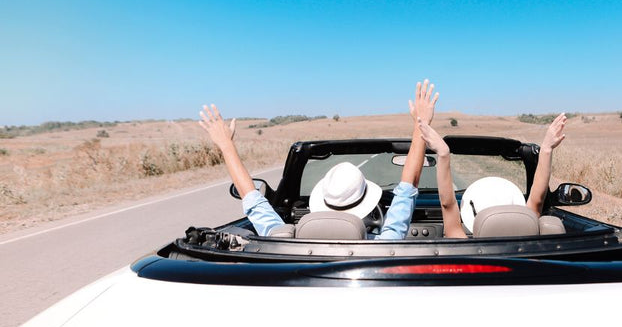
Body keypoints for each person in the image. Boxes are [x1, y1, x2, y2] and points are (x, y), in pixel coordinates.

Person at [198, 80, 439, 239]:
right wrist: (420, 126)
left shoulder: (282, 239)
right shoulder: (387, 242)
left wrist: (226, 146)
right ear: (367, 201)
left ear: (322, 201)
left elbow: (251, 198)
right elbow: (409, 184)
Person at [417, 113, 566, 238]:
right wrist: (546, 149)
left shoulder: (460, 241)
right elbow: (537, 199)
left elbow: (448, 204)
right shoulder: (533, 244)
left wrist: (443, 154)